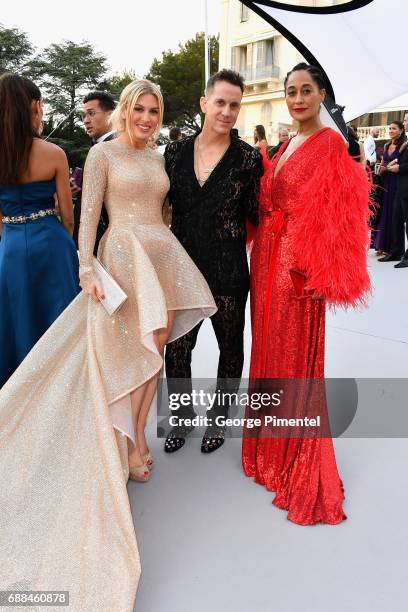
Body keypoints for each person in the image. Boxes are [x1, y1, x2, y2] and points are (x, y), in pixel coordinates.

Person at [0, 79, 216, 610]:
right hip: (119, 255)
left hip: (160, 255)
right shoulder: (101, 154)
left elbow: (162, 208)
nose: (147, 118)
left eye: (154, 111)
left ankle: (133, 438)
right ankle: (132, 446)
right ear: (124, 110)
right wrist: (85, 266)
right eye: (139, 109)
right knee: (128, 350)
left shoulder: (161, 156)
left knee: (158, 346)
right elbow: (87, 214)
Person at [242, 63, 371, 525]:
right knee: (269, 349)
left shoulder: (331, 144)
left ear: (321, 95)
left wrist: (316, 272)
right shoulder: (288, 141)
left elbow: (342, 218)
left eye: (306, 91)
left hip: (297, 267)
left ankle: (292, 453)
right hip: (267, 260)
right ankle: (267, 448)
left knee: (292, 355)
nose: (297, 99)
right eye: (291, 91)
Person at [164, 69, 263, 453]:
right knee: (177, 349)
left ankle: (218, 423)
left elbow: (261, 214)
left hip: (228, 272)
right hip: (182, 270)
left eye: (234, 104)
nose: (226, 111)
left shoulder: (249, 159)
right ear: (204, 103)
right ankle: (182, 420)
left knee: (230, 347)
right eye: (220, 102)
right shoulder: (173, 153)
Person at [0, 73, 80, 387]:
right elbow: (68, 217)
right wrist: (65, 244)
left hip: (12, 246)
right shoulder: (53, 154)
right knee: (59, 325)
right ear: (33, 106)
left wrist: (10, 238)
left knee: (17, 321)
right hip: (53, 243)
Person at [72, 90, 116, 251]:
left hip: (103, 240)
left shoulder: (115, 148)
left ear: (110, 115)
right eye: (83, 116)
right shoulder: (96, 147)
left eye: (91, 114)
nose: (86, 120)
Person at [378, 111, 408, 267]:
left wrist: (399, 168)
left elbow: (404, 164)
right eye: (404, 120)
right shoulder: (397, 144)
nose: (405, 123)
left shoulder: (405, 143)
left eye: (406, 121)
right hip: (398, 186)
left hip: (403, 184)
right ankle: (396, 252)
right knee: (396, 219)